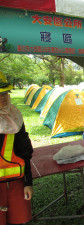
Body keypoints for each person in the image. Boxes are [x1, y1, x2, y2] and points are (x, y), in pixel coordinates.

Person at [0, 71, 34, 225]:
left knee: (19, 220)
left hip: (16, 185)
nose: (2, 97)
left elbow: (25, 151)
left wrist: (28, 183)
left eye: (5, 93)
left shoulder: (15, 116)